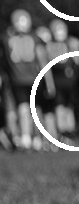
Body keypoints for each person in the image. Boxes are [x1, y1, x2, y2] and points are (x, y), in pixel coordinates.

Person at [2, 9, 55, 151]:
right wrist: (49, 81)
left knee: (27, 109)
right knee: (29, 109)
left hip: (28, 79)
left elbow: (41, 59)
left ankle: (31, 138)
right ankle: (29, 138)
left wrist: (48, 81)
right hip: (23, 79)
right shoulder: (30, 38)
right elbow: (42, 60)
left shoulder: (8, 38)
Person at [47, 19, 79, 142]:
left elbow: (78, 62)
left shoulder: (70, 43)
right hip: (57, 81)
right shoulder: (49, 46)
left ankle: (69, 131)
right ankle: (63, 132)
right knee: (60, 107)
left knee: (68, 106)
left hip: (68, 81)